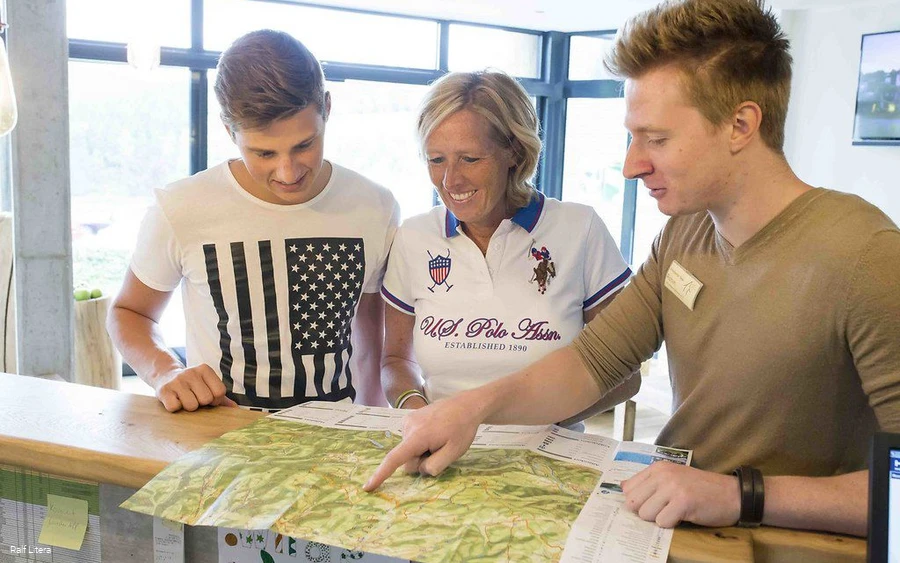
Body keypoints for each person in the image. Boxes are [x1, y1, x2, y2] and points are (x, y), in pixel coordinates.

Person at [365, 0, 900, 538]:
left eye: (656, 138)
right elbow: (593, 363)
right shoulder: (683, 236)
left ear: (740, 125)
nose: (630, 165)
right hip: (680, 530)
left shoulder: (866, 255)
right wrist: (467, 411)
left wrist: (742, 494)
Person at [108, 30, 399, 413]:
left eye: (304, 145)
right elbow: (129, 313)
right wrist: (165, 371)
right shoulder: (181, 207)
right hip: (217, 444)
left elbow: (371, 342)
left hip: (337, 445)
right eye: (263, 152)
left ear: (327, 108)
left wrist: (375, 423)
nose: (288, 170)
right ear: (230, 131)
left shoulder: (374, 206)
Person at [379, 70, 639, 421]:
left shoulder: (580, 229)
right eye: (436, 159)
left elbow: (625, 372)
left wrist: (543, 422)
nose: (450, 180)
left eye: (469, 159)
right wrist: (419, 413)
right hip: (437, 451)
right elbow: (397, 360)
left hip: (546, 454)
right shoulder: (413, 238)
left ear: (514, 151)